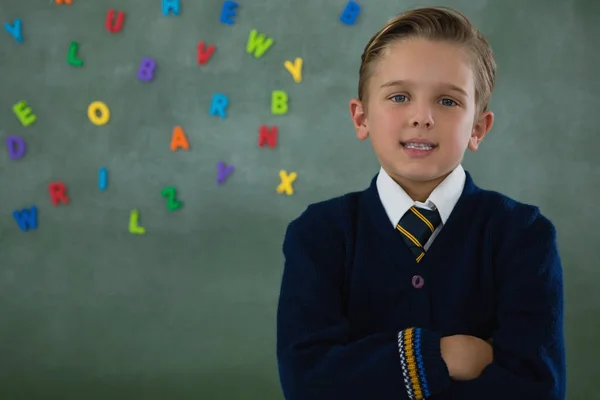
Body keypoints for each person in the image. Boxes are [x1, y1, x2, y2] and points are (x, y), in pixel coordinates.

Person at [275, 5, 566, 400]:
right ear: (361, 119)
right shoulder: (319, 234)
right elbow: (308, 382)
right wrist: (440, 356)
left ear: (478, 128)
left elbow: (536, 388)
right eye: (399, 96)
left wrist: (364, 375)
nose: (422, 116)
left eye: (448, 101)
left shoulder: (523, 236)